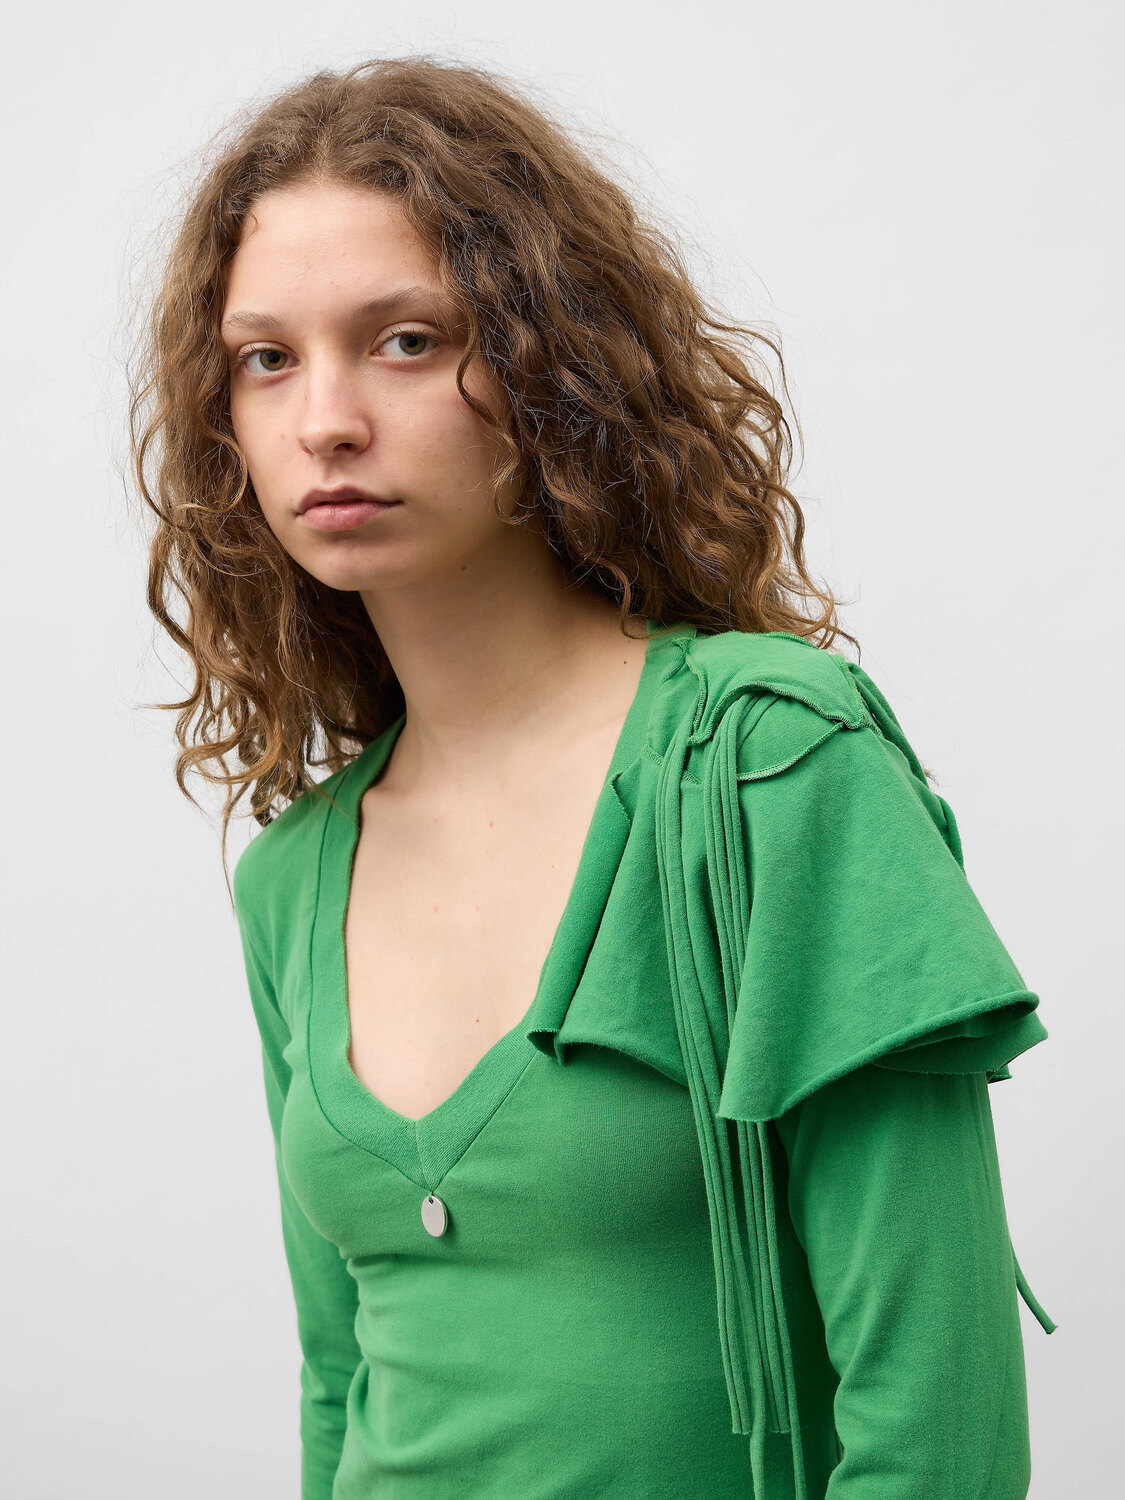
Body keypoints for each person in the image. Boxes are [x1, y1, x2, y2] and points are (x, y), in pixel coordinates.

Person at [130, 54, 1057, 1500]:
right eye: (267, 359)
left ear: (548, 361)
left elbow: (941, 1426)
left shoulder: (763, 763)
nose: (325, 420)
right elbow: (338, 1380)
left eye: (406, 341)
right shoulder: (292, 878)